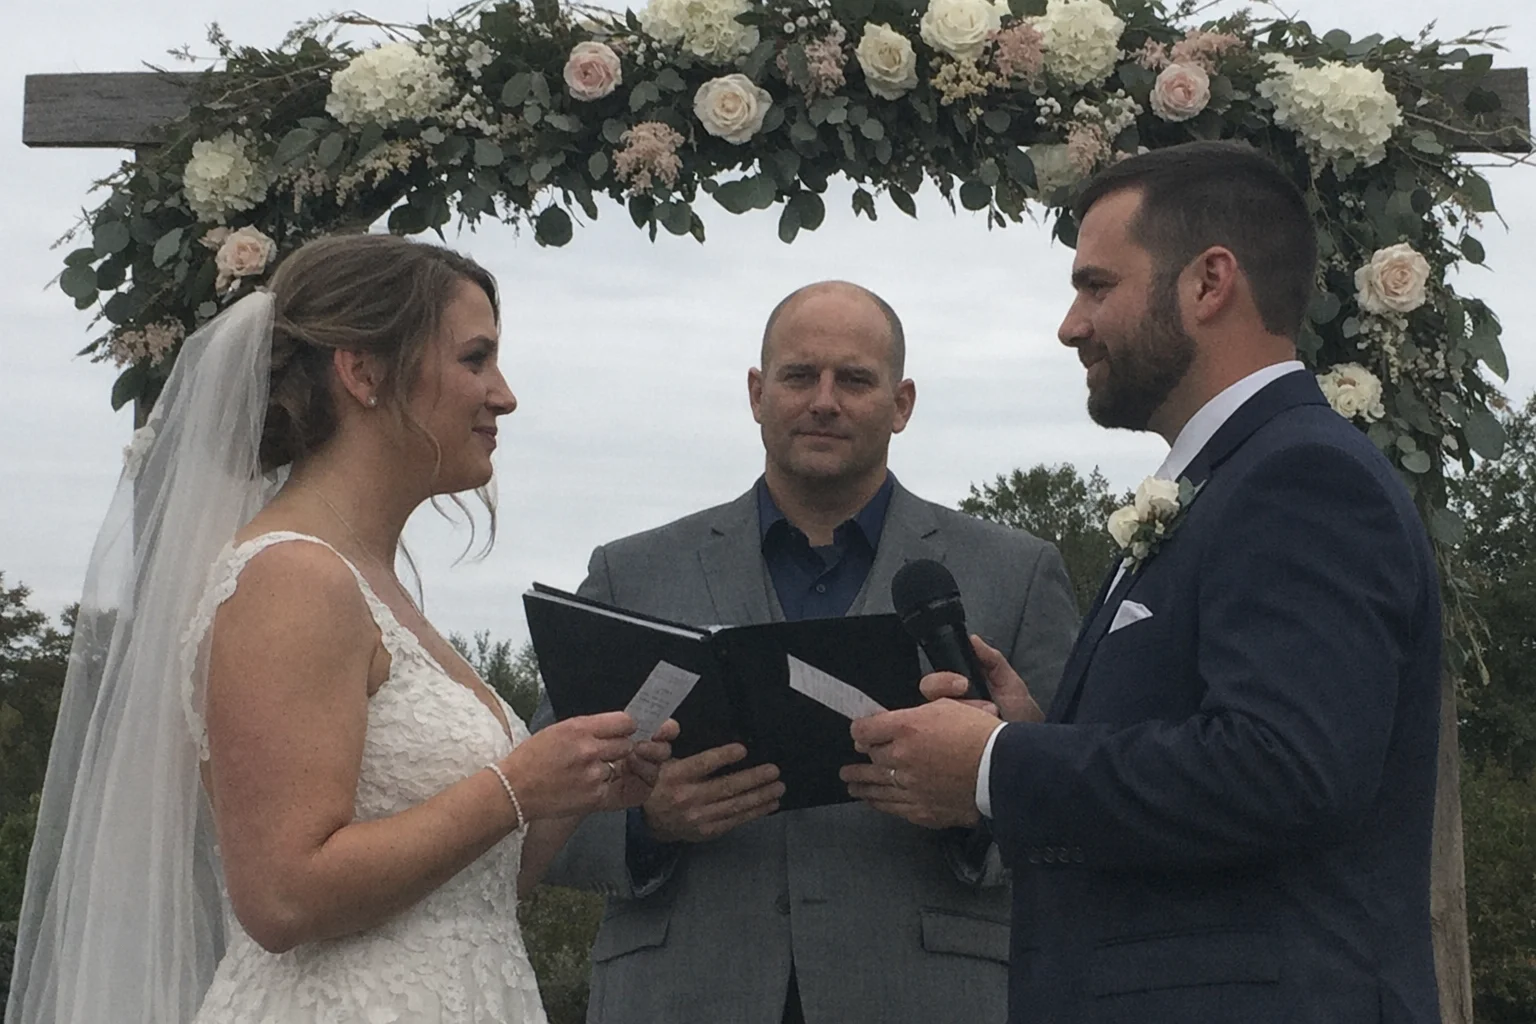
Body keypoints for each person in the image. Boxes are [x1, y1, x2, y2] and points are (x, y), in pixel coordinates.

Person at [6, 234, 674, 1024]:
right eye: (475, 359)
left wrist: (572, 793)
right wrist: (515, 784)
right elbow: (284, 896)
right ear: (363, 373)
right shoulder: (293, 577)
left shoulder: (376, 584)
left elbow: (468, 891)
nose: (503, 395)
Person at [851, 140, 1443, 1023]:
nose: (1070, 324)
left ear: (1210, 283)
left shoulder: (1304, 477)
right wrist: (1036, 733)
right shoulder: (1228, 478)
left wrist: (996, 766)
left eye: (1097, 286)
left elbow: (1285, 769)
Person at [533, 281, 1079, 1023]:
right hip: (682, 995)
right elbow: (535, 814)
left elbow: (1080, 812)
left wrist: (978, 794)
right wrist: (645, 822)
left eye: (854, 379)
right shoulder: (629, 574)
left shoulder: (1015, 574)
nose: (825, 400)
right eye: (799, 376)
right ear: (757, 393)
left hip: (930, 996)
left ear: (903, 403)